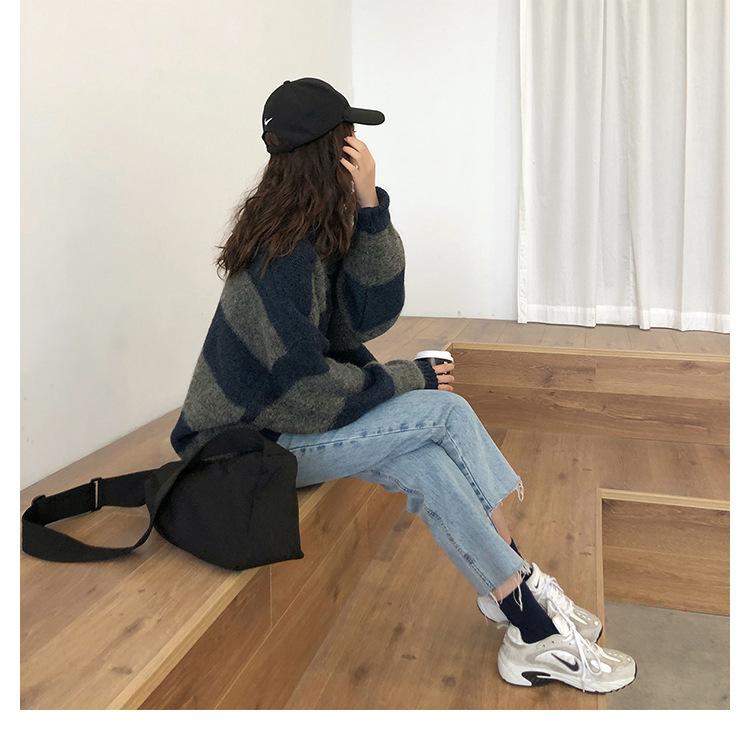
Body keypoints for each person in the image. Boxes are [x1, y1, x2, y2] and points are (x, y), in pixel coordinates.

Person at [171, 78, 636, 694]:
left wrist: (371, 208)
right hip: (246, 448)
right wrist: (407, 377)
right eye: (350, 137)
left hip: (284, 425)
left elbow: (372, 315)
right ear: (331, 151)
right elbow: (304, 393)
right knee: (445, 412)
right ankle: (524, 589)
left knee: (426, 464)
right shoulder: (279, 258)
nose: (361, 149)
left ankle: (521, 610)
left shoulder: (309, 232)